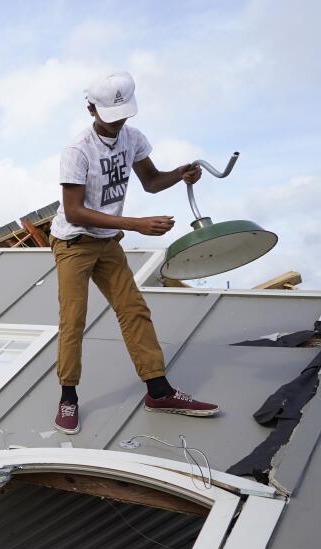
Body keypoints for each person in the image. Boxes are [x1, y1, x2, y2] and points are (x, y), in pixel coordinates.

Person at [50, 71, 219, 434]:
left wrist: (180, 174)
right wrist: (136, 224)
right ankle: (68, 397)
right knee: (74, 319)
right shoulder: (77, 151)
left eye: (123, 115)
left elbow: (152, 182)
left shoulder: (133, 139)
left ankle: (158, 391)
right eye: (110, 117)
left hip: (107, 241)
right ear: (91, 109)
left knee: (133, 310)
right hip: (73, 243)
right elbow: (74, 210)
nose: (117, 124)